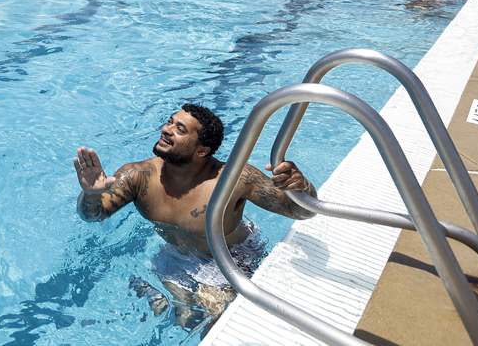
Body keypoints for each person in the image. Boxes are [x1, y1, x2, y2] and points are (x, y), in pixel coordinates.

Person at [75, 104, 316, 324]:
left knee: (214, 321)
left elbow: (302, 212)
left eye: (180, 129)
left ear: (202, 151)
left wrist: (301, 186)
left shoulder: (234, 179)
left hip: (229, 257)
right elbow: (94, 215)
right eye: (170, 122)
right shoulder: (137, 176)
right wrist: (91, 193)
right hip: (176, 255)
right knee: (183, 318)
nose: (167, 129)